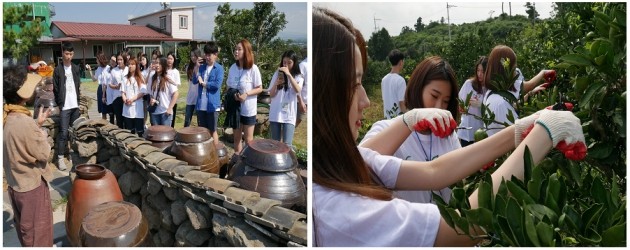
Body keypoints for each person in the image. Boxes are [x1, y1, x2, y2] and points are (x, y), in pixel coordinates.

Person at [312, 7, 586, 247]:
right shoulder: (336, 211)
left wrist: (518, 132)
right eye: (353, 84)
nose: (365, 100)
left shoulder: (340, 166)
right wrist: (543, 135)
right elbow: (461, 230)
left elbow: (436, 172)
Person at [359, 55, 460, 204]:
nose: (438, 107)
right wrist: (410, 119)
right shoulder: (385, 129)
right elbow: (357, 168)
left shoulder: (447, 136)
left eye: (445, 101)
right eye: (434, 96)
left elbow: (459, 178)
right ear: (418, 88)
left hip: (445, 225)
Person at [4, 65, 54, 246]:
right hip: (32, 191)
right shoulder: (25, 122)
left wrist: (36, 124)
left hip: (16, 186)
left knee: (27, 235)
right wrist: (42, 135)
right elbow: (43, 153)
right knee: (38, 238)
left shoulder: (8, 116)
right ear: (23, 93)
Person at [483, 45, 554, 137]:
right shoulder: (499, 103)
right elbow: (517, 135)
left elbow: (513, 107)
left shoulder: (494, 94)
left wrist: (530, 94)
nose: (516, 72)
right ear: (505, 70)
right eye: (514, 67)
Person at [225, 39, 263, 154]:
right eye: (235, 49)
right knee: (236, 139)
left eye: (239, 49)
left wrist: (246, 94)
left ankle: (248, 165)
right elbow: (228, 86)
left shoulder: (253, 69)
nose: (236, 52)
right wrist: (233, 95)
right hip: (235, 109)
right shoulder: (233, 68)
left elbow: (259, 88)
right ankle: (237, 163)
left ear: (246, 51)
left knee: (248, 140)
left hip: (248, 110)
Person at [52, 42, 81, 171]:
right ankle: (60, 158)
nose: (68, 56)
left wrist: (78, 102)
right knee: (63, 133)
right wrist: (60, 104)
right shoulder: (58, 70)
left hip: (75, 105)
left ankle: (73, 155)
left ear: (73, 54)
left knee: (74, 132)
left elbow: (78, 85)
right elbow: (56, 89)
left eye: (70, 54)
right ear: (62, 53)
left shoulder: (75, 68)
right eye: (66, 53)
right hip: (65, 106)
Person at [268, 50, 304, 148]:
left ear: (294, 63)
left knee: (287, 145)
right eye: (284, 62)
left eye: (289, 63)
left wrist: (288, 74)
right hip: (276, 112)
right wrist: (276, 84)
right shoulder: (277, 74)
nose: (286, 65)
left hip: (289, 114)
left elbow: (297, 90)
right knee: (274, 144)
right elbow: (271, 94)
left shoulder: (298, 76)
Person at [196, 42, 224, 146]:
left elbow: (216, 85)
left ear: (216, 55)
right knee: (203, 131)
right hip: (201, 104)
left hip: (212, 105)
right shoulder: (202, 67)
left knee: (213, 130)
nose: (207, 57)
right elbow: (195, 80)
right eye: (206, 54)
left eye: (209, 55)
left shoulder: (219, 68)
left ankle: (215, 153)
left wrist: (204, 83)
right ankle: (206, 153)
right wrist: (196, 67)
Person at [457, 56, 488, 146]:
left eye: (483, 71)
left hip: (481, 132)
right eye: (478, 70)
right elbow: (459, 102)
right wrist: (462, 107)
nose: (480, 74)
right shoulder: (468, 84)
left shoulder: (489, 89)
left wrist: (480, 105)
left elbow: (491, 111)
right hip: (466, 131)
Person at [147, 56, 179, 126]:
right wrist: (152, 99)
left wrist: (170, 109)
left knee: (166, 135)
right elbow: (150, 92)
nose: (157, 65)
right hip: (155, 112)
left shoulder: (168, 78)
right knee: (156, 135)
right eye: (156, 63)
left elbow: (176, 94)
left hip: (165, 113)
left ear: (164, 65)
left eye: (159, 63)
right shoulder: (152, 78)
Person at [121, 57, 147, 136]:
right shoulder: (125, 78)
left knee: (139, 132)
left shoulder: (141, 77)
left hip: (137, 109)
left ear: (136, 66)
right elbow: (122, 92)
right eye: (129, 64)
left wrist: (132, 99)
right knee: (129, 132)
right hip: (127, 109)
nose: (130, 66)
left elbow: (142, 92)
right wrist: (125, 99)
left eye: (132, 64)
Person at [381, 49, 407, 119]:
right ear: (401, 62)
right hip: (397, 120)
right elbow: (401, 103)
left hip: (387, 119)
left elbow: (384, 101)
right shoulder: (400, 80)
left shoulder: (384, 79)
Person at [107, 52, 129, 129]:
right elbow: (110, 84)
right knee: (119, 119)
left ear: (125, 60)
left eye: (121, 59)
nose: (119, 61)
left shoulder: (128, 69)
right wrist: (116, 86)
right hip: (117, 98)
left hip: (127, 97)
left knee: (127, 119)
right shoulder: (114, 71)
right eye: (118, 60)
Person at [89, 51, 111, 120]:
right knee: (102, 110)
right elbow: (94, 79)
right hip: (100, 89)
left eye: (97, 59)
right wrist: (90, 70)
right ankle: (104, 123)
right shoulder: (98, 69)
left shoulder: (109, 68)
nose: (96, 61)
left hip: (108, 89)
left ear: (100, 59)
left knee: (109, 109)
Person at [184, 48, 202, 127]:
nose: (193, 58)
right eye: (191, 56)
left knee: (200, 121)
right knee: (187, 120)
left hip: (200, 97)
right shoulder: (189, 67)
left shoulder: (203, 67)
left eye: (195, 56)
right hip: (191, 97)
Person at [166, 51, 181, 128]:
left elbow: (177, 84)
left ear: (174, 60)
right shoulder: (164, 70)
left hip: (172, 97)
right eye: (168, 58)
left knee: (172, 115)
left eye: (171, 59)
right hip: (165, 97)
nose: (169, 60)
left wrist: (170, 80)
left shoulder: (176, 72)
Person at [296, 48, 308, 128]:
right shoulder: (303, 65)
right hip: (301, 100)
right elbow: (297, 85)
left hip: (307, 100)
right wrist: (301, 101)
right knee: (297, 120)